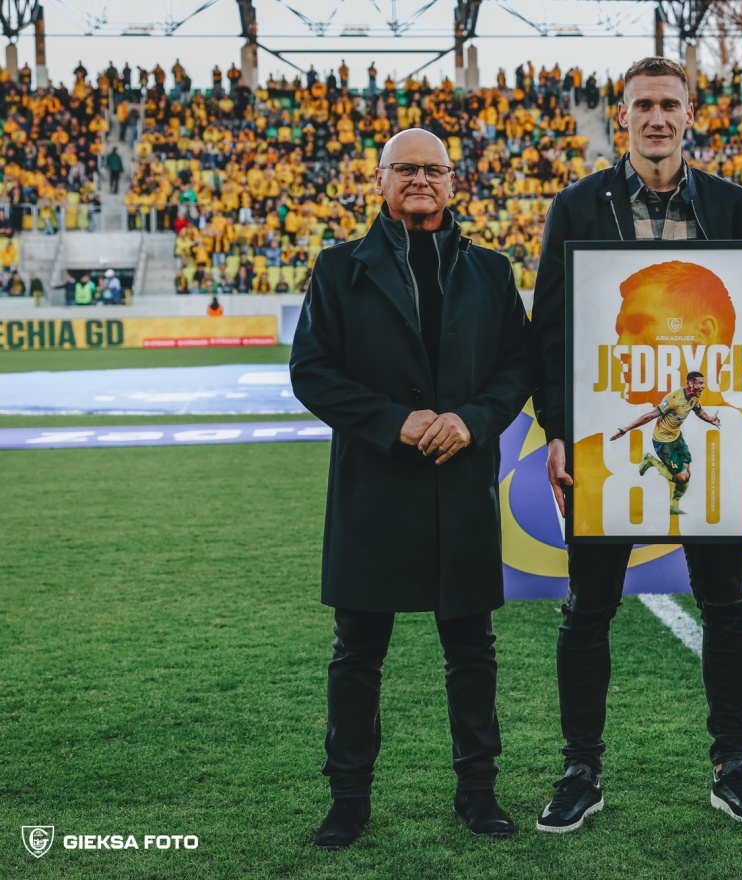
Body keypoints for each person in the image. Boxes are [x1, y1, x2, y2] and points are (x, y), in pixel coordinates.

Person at [530, 56, 742, 834]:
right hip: (605, 442)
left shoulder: (732, 204)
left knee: (727, 604)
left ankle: (732, 765)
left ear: (688, 115)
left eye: (668, 104)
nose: (655, 117)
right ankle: (581, 769)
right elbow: (549, 332)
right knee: (588, 608)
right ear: (623, 116)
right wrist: (555, 430)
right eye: (642, 104)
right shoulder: (577, 205)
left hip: (710, 447)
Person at [290, 128, 534, 850]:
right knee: (357, 651)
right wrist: (394, 421)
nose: (421, 180)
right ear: (380, 180)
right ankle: (348, 800)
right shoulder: (339, 268)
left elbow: (518, 368)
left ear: (453, 182)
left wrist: (472, 420)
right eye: (406, 169)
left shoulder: (490, 270)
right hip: (374, 488)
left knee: (472, 649)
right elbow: (312, 372)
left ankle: (478, 794)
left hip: (460, 485)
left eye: (434, 170)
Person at [610, 371, 721, 515]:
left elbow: (699, 411)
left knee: (686, 475)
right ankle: (650, 460)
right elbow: (650, 415)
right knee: (683, 477)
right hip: (663, 442)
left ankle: (673, 506)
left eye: (703, 383)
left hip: (677, 437)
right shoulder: (674, 399)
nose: (703, 386)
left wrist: (710, 419)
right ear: (690, 383)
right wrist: (627, 428)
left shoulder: (694, 398)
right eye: (700, 383)